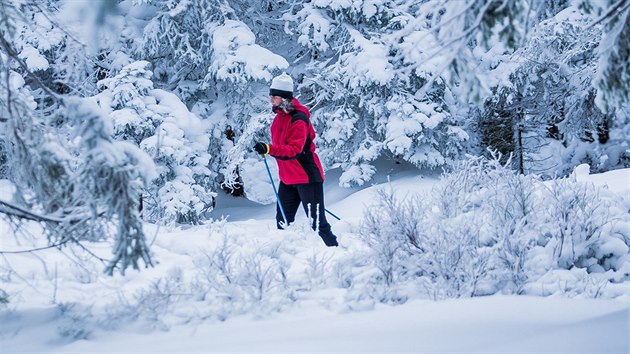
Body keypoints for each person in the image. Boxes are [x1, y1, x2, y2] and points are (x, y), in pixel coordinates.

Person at [254, 73, 338, 247]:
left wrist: (269, 149)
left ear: (284, 98)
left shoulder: (298, 118)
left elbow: (294, 150)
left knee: (317, 224)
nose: (271, 100)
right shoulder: (278, 119)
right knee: (282, 222)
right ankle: (287, 255)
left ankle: (337, 251)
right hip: (288, 178)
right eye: (271, 96)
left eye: (274, 97)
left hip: (307, 177)